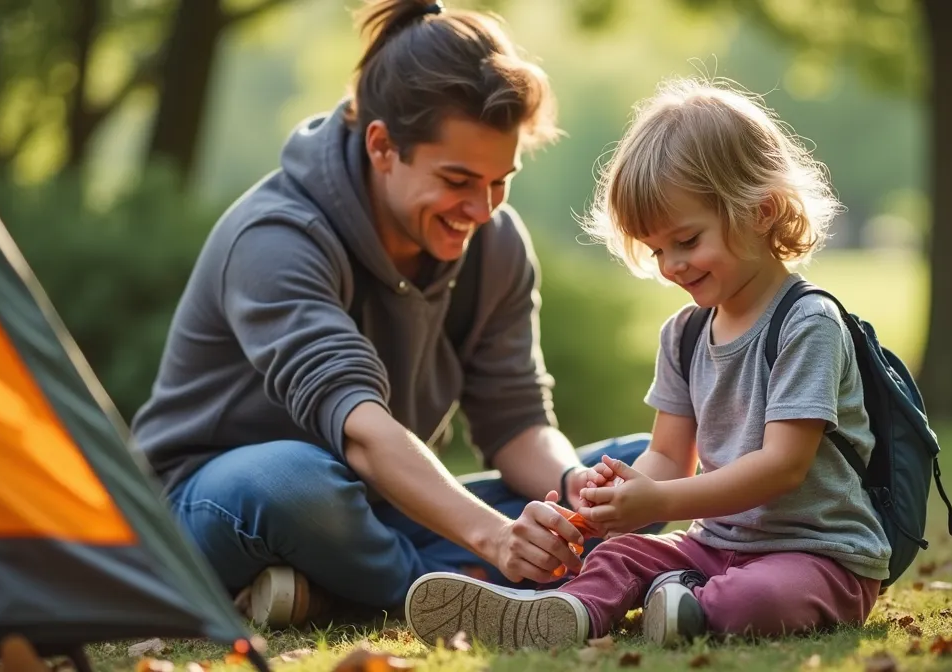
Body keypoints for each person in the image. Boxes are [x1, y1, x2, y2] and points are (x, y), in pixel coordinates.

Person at [128, 0, 659, 629]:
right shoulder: (276, 237)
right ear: (383, 146)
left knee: (643, 469)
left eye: (499, 181)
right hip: (216, 504)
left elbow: (516, 419)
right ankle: (473, 591)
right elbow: (361, 433)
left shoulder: (494, 244)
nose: (481, 207)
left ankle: (337, 594)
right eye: (458, 179)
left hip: (373, 513)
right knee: (294, 480)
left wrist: (571, 489)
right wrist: (494, 537)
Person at [402, 76, 892, 649]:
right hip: (714, 546)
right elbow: (666, 454)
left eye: (686, 240)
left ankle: (687, 601)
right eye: (657, 249)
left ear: (763, 211)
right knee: (619, 555)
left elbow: (782, 466)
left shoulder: (806, 323)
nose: (671, 265)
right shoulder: (685, 335)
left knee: (752, 599)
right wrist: (621, 499)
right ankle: (569, 614)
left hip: (819, 553)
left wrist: (662, 501)